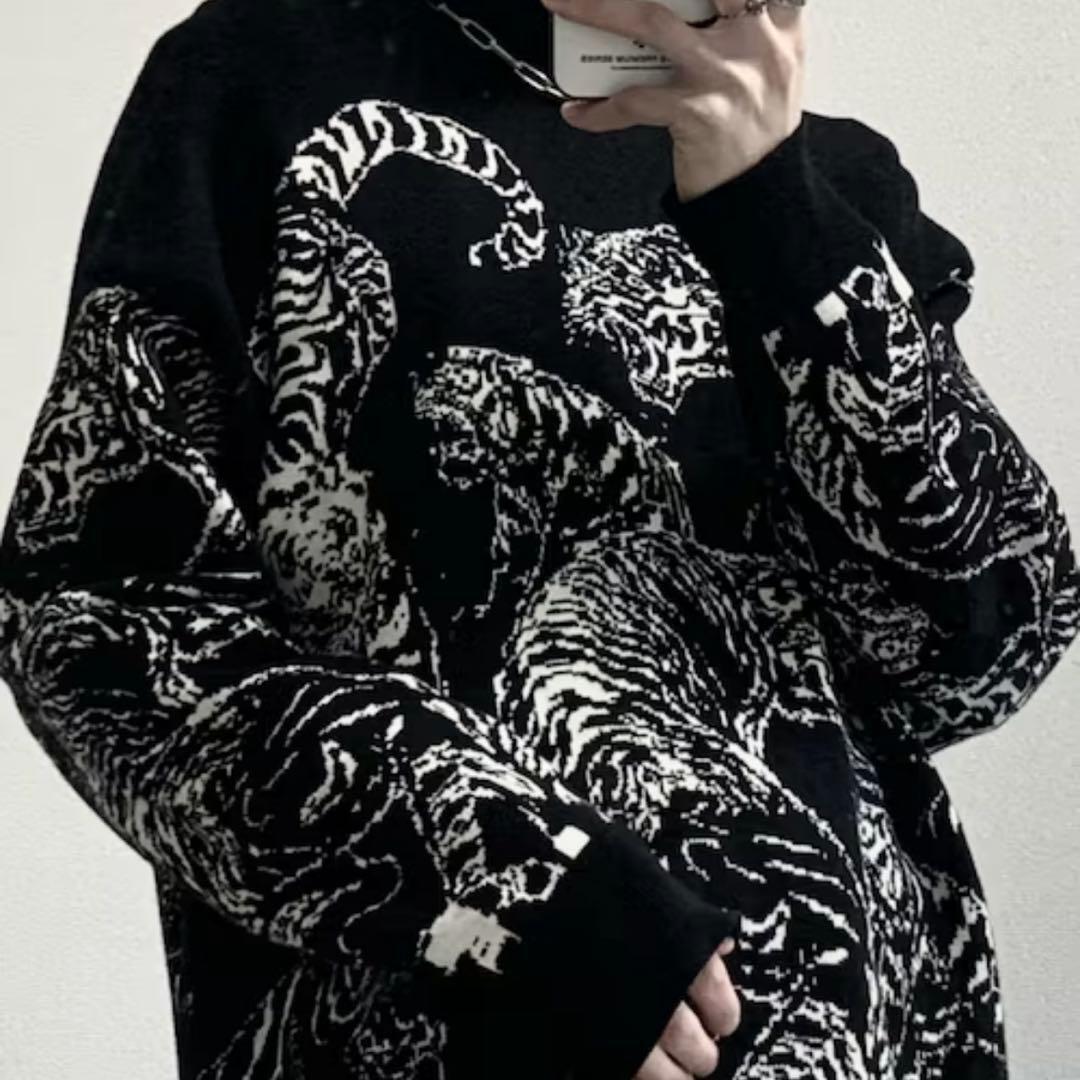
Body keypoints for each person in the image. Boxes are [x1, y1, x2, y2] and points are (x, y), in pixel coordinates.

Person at [1, 0, 1077, 1077]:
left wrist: (773, 210)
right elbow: (96, 614)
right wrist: (523, 889)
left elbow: (977, 654)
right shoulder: (266, 80)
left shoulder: (833, 185)